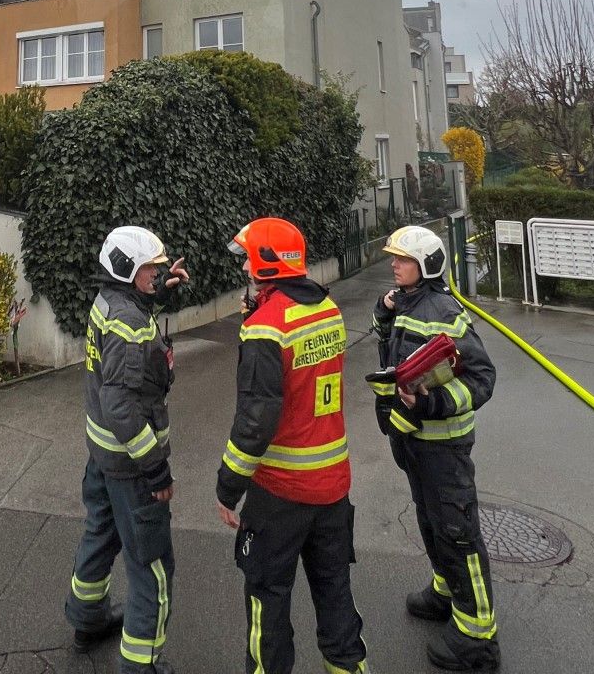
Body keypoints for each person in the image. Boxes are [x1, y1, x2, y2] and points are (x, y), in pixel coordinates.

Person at [216, 217, 368, 674]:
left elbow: (256, 418)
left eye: (247, 257)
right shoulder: (326, 308)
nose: (242, 266)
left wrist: (228, 486)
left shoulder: (266, 327)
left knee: (268, 597)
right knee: (335, 592)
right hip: (334, 486)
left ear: (266, 263)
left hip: (281, 492)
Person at [370, 225, 499, 672]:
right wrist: (384, 311)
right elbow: (389, 342)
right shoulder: (406, 302)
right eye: (393, 257)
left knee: (458, 530)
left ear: (425, 265)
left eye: (402, 259)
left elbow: (481, 379)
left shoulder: (444, 310)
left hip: (443, 446)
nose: (393, 264)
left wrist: (434, 401)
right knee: (431, 522)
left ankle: (478, 635)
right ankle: (446, 591)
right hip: (414, 441)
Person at [65, 225, 189, 674]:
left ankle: (87, 618)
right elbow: (122, 405)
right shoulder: (131, 322)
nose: (157, 273)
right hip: (130, 462)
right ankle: (142, 664)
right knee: (152, 566)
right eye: (151, 269)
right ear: (127, 271)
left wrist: (159, 293)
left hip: (100, 452)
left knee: (101, 531)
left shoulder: (108, 302)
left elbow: (131, 319)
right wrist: (156, 470)